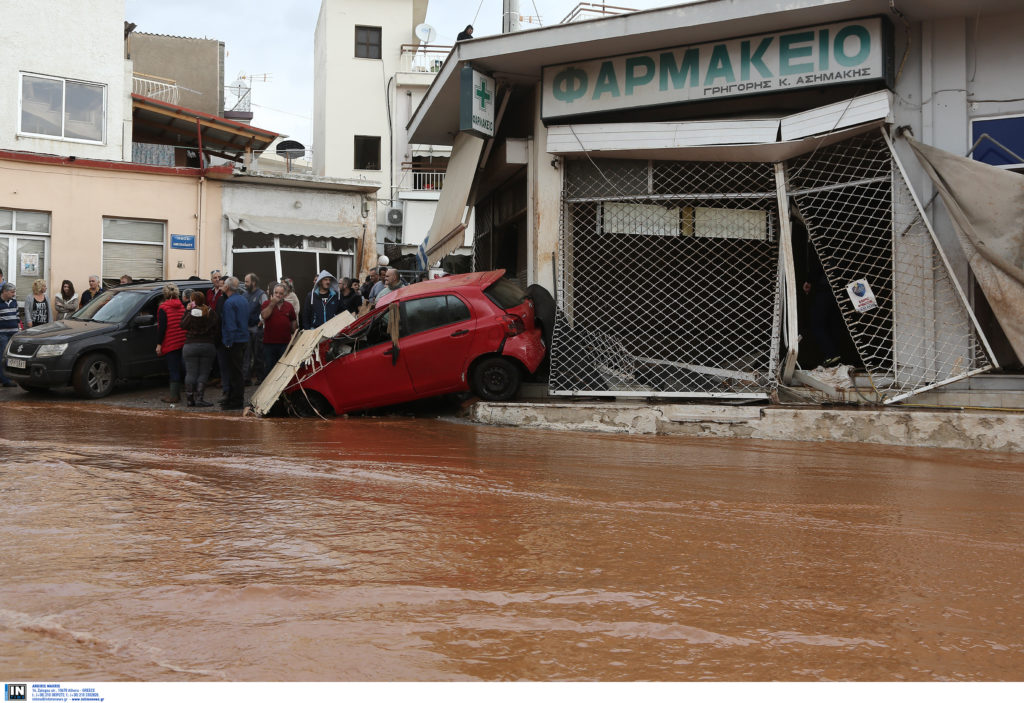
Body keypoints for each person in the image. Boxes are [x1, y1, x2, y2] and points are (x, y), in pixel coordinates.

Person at [180, 290, 219, 407]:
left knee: (190, 373)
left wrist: (187, 311)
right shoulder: (210, 312)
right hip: (207, 345)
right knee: (204, 372)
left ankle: (189, 399)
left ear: (193, 301)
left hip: (190, 345)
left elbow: (182, 325)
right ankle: (199, 398)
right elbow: (216, 327)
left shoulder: (190, 312)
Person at [219, 276, 249, 410]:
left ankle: (235, 401)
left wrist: (228, 342)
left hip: (233, 340)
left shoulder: (229, 303)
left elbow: (230, 325)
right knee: (237, 371)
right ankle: (234, 399)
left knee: (233, 372)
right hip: (243, 338)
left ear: (227, 287)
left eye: (224, 284)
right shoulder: (243, 299)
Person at [155, 283, 187, 403]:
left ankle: (174, 396)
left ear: (165, 294)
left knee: (173, 369)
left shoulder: (163, 308)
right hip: (182, 340)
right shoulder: (181, 306)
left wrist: (159, 344)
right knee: (182, 367)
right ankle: (186, 392)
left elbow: (161, 327)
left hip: (171, 341)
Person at [260, 282, 298, 376]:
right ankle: (268, 389)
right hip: (269, 344)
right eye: (276, 292)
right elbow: (264, 316)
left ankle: (282, 390)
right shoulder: (266, 303)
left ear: (284, 295)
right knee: (269, 369)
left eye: (280, 293)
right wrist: (272, 303)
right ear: (272, 293)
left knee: (283, 369)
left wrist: (294, 329)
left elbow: (293, 319)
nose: (278, 295)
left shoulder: (289, 306)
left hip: (285, 344)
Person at [243, 273, 268, 384]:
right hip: (246, 329)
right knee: (246, 355)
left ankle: (260, 377)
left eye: (247, 281)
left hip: (257, 330)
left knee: (258, 355)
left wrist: (261, 322)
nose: (245, 284)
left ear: (253, 282)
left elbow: (266, 310)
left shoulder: (261, 294)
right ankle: (246, 378)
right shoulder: (245, 295)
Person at [0, 283, 18, 387]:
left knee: (11, 356)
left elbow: (17, 316)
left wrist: (19, 329)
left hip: (14, 333)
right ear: (5, 292)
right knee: (2, 356)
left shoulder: (14, 302)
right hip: (2, 334)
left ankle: (10, 377)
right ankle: (5, 380)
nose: (14, 294)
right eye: (12, 292)